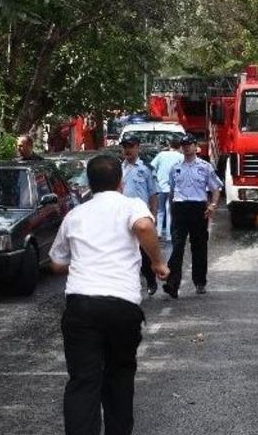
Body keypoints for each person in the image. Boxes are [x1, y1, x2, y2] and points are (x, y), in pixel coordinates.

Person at [49, 154, 169, 435]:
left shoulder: (74, 216)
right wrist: (157, 263)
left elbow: (55, 263)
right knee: (119, 378)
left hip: (81, 305)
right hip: (121, 306)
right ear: (120, 181)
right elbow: (143, 226)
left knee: (83, 381)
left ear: (90, 184)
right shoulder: (131, 205)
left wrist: (81, 261)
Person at [164, 133, 223, 298]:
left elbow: (216, 188)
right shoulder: (175, 167)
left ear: (196, 146)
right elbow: (172, 190)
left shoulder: (205, 167)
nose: (186, 147)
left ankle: (200, 281)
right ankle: (172, 283)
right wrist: (171, 209)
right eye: (184, 145)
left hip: (198, 209)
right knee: (177, 247)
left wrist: (213, 205)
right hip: (180, 208)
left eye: (189, 144)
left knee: (199, 246)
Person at [120, 133, 160, 296]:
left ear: (138, 148)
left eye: (131, 146)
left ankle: (151, 281)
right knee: (125, 251)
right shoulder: (118, 169)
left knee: (144, 252)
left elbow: (153, 194)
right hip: (122, 216)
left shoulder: (146, 169)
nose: (127, 150)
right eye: (125, 147)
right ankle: (128, 285)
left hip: (141, 216)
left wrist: (154, 214)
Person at [150, 138, 184, 240]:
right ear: (180, 147)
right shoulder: (181, 157)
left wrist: (155, 178)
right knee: (170, 211)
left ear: (170, 145)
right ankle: (169, 234)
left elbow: (151, 166)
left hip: (160, 186)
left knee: (159, 211)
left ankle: (158, 232)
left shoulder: (161, 155)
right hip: (173, 188)